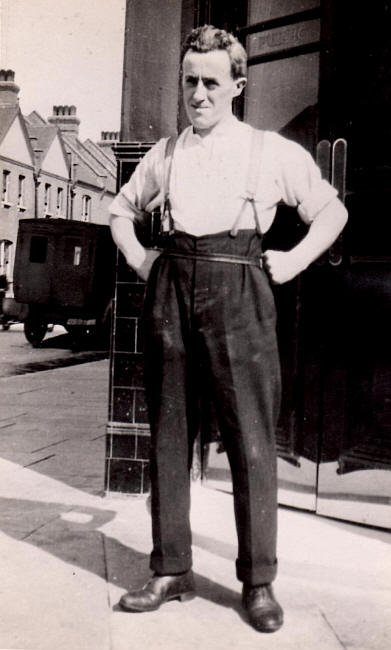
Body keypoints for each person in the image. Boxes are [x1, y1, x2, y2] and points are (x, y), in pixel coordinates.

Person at [109, 25, 348, 633]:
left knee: (250, 439)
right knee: (168, 432)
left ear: (238, 85)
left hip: (241, 293)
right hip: (171, 290)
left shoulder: (270, 152)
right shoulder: (166, 153)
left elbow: (332, 211)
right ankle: (169, 568)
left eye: (211, 82)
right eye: (189, 80)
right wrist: (141, 260)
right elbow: (118, 211)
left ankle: (258, 581)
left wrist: (292, 262)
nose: (198, 93)